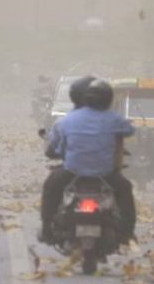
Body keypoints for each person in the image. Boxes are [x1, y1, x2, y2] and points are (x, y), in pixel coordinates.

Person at [40, 78, 138, 245]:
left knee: (51, 187)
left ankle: (46, 230)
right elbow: (129, 130)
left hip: (72, 172)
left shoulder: (67, 120)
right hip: (105, 174)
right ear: (109, 99)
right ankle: (127, 233)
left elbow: (53, 148)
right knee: (125, 190)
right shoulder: (114, 119)